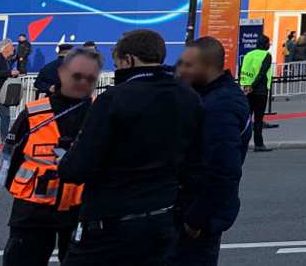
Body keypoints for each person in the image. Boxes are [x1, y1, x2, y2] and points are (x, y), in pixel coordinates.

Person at [58, 29, 205, 264]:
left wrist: (64, 160)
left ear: (129, 60)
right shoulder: (188, 97)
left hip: (110, 220)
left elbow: (78, 168)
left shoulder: (114, 99)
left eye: (117, 65)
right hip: (162, 215)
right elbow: (196, 162)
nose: (117, 71)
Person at [1, 47, 99, 265]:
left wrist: (14, 186)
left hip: (37, 209)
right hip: (68, 208)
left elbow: (9, 159)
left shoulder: (35, 112)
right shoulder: (98, 112)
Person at [171, 37, 252, 265]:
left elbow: (223, 170)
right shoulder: (205, 96)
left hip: (195, 216)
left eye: (188, 65)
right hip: (189, 207)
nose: (181, 70)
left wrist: (196, 219)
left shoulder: (221, 105)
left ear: (207, 67)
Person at [237, 35, 274, 153]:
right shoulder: (266, 55)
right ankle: (259, 144)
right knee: (258, 119)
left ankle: (239, 142)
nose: (269, 45)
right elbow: (262, 73)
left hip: (247, 90)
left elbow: (242, 71)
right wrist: (254, 86)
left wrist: (246, 86)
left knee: (246, 119)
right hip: (260, 91)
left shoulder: (248, 55)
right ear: (265, 44)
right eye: (268, 43)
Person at [0, 39, 20, 139]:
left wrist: (13, 74)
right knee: (5, 117)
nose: (13, 48)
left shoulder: (7, 61)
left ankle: (4, 142)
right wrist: (9, 73)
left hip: (2, 96)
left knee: (6, 117)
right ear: (5, 48)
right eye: (11, 46)